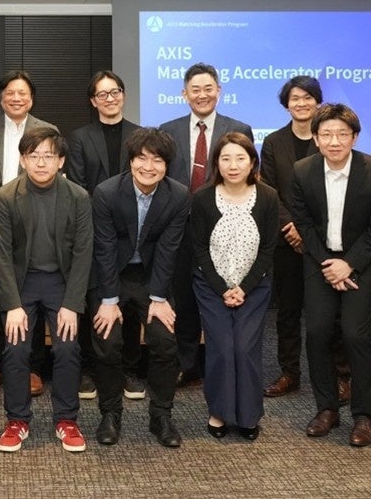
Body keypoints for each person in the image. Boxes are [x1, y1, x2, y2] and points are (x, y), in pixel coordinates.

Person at [289, 104, 371, 447]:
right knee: (317, 332)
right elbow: (304, 223)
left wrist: (348, 264)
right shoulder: (302, 171)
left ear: (355, 137)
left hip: (362, 262)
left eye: (342, 134)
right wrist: (328, 264)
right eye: (326, 135)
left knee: (354, 333)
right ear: (316, 138)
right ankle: (327, 408)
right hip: (319, 260)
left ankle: (364, 416)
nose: (334, 142)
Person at [0, 127, 93, 453]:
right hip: (21, 284)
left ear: (61, 161)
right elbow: (1, 256)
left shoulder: (78, 197)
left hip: (61, 284)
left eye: (49, 156)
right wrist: (12, 305)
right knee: (16, 349)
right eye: (33, 156)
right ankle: (17, 420)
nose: (41, 162)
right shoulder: (5, 197)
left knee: (67, 348)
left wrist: (72, 303)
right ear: (23, 160)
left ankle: (67, 419)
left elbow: (83, 253)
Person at [90, 127, 190, 447]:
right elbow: (104, 249)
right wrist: (109, 300)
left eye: (157, 160)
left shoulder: (178, 195)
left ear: (167, 165)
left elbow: (168, 249)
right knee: (107, 340)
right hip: (112, 275)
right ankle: (110, 413)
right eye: (142, 158)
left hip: (151, 277)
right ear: (130, 161)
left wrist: (159, 297)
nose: (149, 167)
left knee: (165, 341)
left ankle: (161, 415)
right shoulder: (106, 193)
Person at [159, 62, 253, 386]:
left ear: (219, 91)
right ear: (184, 94)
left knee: (221, 298)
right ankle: (188, 364)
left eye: (208, 89)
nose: (202, 95)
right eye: (195, 90)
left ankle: (223, 363)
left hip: (225, 229)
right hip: (182, 229)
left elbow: (248, 178)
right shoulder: (167, 130)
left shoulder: (238, 128)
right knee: (184, 299)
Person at [260, 77, 352, 403]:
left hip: (323, 240)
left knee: (330, 313)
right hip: (286, 240)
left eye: (308, 97)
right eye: (295, 98)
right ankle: (289, 373)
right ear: (286, 104)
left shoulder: (328, 140)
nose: (301, 103)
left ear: (318, 102)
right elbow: (269, 190)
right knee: (287, 311)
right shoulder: (273, 142)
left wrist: (307, 229)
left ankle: (341, 375)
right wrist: (291, 226)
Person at [0, 70, 54, 397]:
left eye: (22, 93)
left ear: (31, 98)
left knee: (34, 301)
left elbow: (50, 178)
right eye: (10, 93)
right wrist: (3, 208)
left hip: (35, 230)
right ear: (1, 98)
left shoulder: (47, 131)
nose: (16, 98)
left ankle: (32, 367)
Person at [191, 132, 279, 441]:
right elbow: (199, 249)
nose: (233, 165)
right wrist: (221, 288)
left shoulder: (268, 197)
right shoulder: (203, 197)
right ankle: (219, 412)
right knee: (222, 347)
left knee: (244, 347)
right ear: (216, 163)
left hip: (254, 287)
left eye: (240, 158)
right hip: (211, 286)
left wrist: (244, 288)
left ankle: (248, 415)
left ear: (252, 162)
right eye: (225, 158)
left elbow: (268, 249)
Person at [68, 70, 144, 401]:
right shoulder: (79, 138)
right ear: (93, 101)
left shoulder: (140, 135)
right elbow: (79, 187)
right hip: (93, 232)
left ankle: (128, 369)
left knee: (129, 304)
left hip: (133, 234)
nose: (109, 99)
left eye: (114, 92)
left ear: (123, 95)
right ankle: (89, 368)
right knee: (92, 302)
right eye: (102, 94)